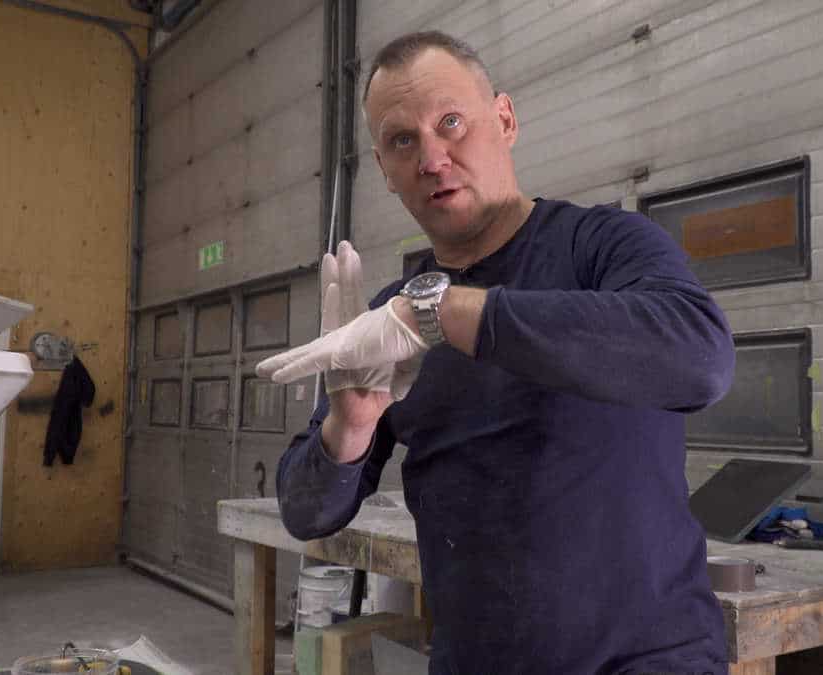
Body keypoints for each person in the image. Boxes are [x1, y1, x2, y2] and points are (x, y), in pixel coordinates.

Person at [257, 31, 735, 675]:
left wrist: (439, 314)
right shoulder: (388, 326)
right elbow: (306, 511)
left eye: (451, 123)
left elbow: (700, 358)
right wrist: (351, 425)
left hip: (646, 661)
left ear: (505, 120)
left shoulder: (602, 246)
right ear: (385, 169)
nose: (432, 158)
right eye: (403, 141)